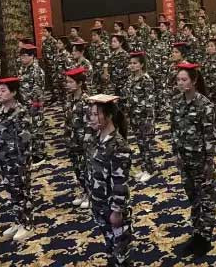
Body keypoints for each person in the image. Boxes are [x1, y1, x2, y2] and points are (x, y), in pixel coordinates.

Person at [170, 63, 216, 257]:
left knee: (205, 199)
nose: (180, 83)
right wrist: (175, 153)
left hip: (201, 161)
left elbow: (209, 137)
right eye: (178, 80)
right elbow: (174, 130)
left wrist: (209, 162)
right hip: (185, 160)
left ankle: (205, 238)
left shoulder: (204, 105)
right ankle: (197, 233)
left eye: (184, 79)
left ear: (194, 81)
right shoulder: (177, 102)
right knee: (193, 198)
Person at [87, 93, 133, 267]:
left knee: (121, 252)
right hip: (99, 204)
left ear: (109, 116)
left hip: (112, 207)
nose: (91, 118)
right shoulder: (96, 138)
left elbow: (120, 183)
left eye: (95, 114)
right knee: (110, 245)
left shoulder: (118, 146)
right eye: (90, 114)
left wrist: (117, 210)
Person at [0, 77, 34, 242]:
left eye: (3, 90)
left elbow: (25, 141)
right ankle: (18, 221)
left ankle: (28, 224)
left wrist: (22, 164)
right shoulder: (0, 111)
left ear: (14, 92)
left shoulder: (20, 113)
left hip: (17, 161)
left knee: (22, 191)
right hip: (4, 160)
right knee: (11, 192)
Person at [124, 52, 158, 183]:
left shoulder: (146, 80)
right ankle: (145, 167)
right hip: (134, 117)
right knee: (140, 143)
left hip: (145, 117)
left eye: (135, 63)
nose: (132, 65)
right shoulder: (130, 79)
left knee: (147, 144)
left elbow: (149, 101)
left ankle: (150, 170)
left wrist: (145, 117)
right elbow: (128, 96)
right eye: (130, 63)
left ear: (141, 65)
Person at [64, 66, 92, 209]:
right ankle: (84, 191)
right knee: (77, 168)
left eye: (71, 82)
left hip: (83, 141)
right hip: (72, 139)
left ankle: (90, 194)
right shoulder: (69, 98)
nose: (67, 85)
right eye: (67, 82)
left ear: (80, 83)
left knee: (86, 168)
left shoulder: (86, 100)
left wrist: (87, 142)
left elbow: (90, 123)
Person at [17, 43, 46, 165]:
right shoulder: (23, 69)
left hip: (34, 105)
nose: (22, 58)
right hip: (24, 104)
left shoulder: (37, 71)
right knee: (28, 129)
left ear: (31, 56)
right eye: (21, 56)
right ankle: (31, 152)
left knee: (37, 129)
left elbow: (38, 91)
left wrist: (35, 106)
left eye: (24, 56)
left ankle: (40, 155)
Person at [88, 28, 111, 95]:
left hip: (102, 72)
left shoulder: (104, 46)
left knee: (104, 92)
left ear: (99, 35)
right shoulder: (92, 46)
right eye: (92, 35)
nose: (93, 37)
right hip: (95, 72)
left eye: (95, 35)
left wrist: (105, 72)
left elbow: (106, 60)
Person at [53, 36, 74, 108]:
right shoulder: (57, 54)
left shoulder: (66, 55)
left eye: (60, 43)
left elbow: (70, 69)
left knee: (66, 99)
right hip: (58, 79)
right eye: (57, 43)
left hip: (65, 79)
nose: (57, 45)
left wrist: (67, 80)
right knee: (60, 98)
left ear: (65, 45)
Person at [40, 26, 58, 102]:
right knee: (49, 80)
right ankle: (52, 95)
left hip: (52, 64)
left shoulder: (54, 41)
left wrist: (54, 63)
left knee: (54, 81)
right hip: (46, 64)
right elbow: (43, 52)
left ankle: (56, 96)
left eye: (45, 31)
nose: (44, 33)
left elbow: (56, 53)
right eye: (43, 31)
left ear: (50, 32)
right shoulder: (44, 42)